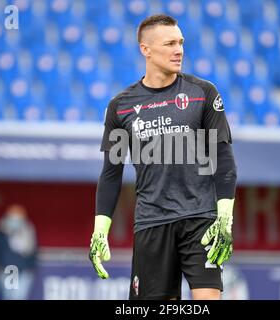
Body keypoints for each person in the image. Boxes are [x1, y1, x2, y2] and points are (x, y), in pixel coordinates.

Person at [89, 14, 237, 300]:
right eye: (170, 43)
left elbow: (224, 159)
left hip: (200, 220)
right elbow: (111, 173)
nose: (179, 50)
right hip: (152, 222)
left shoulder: (202, 93)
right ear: (146, 49)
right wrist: (100, 229)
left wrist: (225, 216)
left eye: (180, 43)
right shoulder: (120, 107)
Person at [0, 204, 38, 300]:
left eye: (18, 216)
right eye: (13, 216)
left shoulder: (28, 231)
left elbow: (33, 252)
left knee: (19, 296)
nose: (15, 220)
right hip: (8, 270)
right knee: (9, 296)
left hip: (24, 270)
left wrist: (31, 268)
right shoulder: (1, 231)